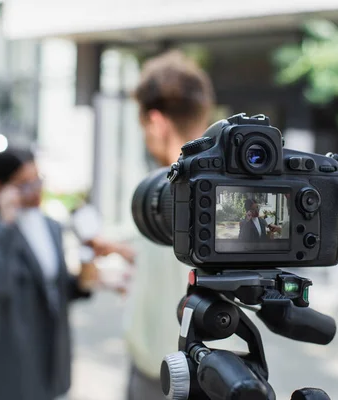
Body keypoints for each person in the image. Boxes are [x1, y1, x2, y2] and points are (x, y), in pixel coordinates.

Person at [0, 147, 116, 400]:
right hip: (16, 358)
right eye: (23, 184)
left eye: (37, 180)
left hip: (55, 354)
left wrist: (86, 278)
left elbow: (56, 287)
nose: (35, 190)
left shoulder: (51, 226)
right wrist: (6, 224)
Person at [124, 49, 216, 399]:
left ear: (157, 122)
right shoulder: (220, 194)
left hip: (164, 378)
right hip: (199, 372)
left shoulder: (163, 191)